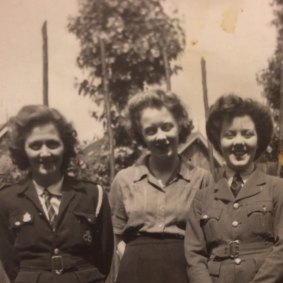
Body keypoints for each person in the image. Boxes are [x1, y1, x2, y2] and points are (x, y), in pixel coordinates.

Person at [0, 105, 113, 283]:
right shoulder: (7, 200)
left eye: (53, 144)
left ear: (65, 147)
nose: (45, 153)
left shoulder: (93, 194)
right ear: (23, 150)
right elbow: (9, 262)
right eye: (35, 146)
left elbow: (104, 256)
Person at [110, 89, 212, 283]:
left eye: (167, 126)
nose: (160, 136)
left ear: (179, 126)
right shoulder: (124, 180)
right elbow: (115, 235)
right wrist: (130, 256)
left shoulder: (201, 179)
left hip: (183, 271)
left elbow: (209, 237)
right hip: (135, 271)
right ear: (141, 135)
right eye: (151, 130)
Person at [185, 94, 283, 283]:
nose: (239, 142)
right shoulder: (202, 198)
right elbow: (195, 256)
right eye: (229, 135)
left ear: (259, 138)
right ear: (218, 141)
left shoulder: (277, 189)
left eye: (247, 134)